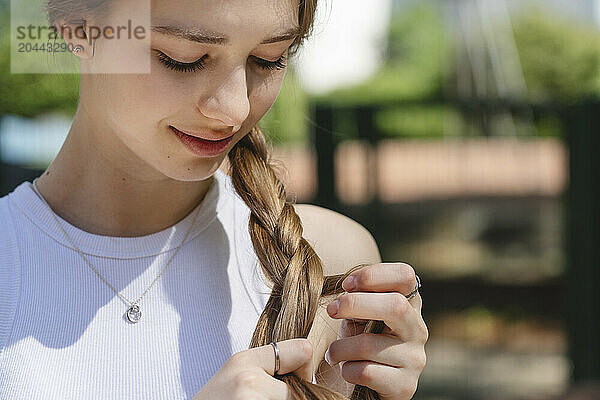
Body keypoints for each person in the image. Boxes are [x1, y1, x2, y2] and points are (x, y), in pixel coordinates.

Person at [0, 0, 429, 399]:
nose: (233, 109)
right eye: (183, 58)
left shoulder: (326, 264)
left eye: (270, 58)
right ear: (77, 28)